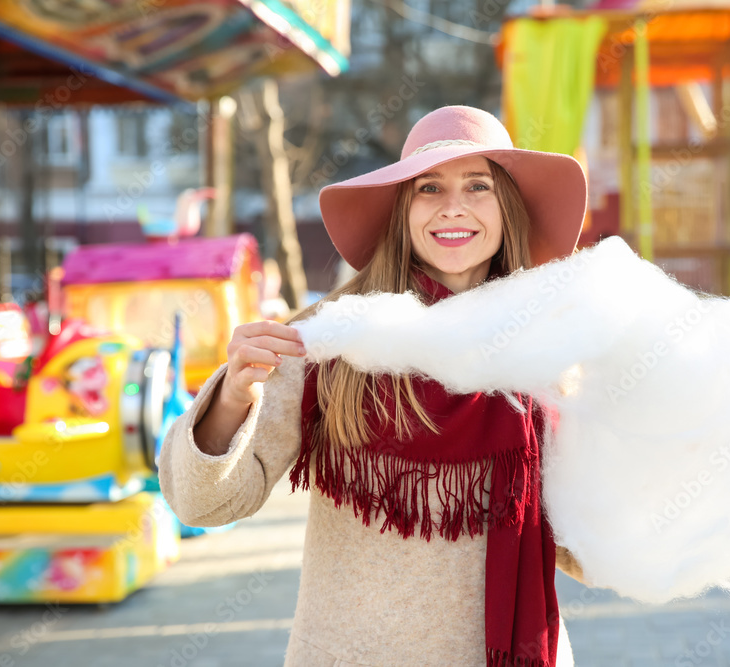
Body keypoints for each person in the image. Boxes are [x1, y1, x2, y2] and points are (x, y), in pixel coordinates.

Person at [158, 105, 591, 666]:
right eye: (429, 187)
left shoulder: (549, 349)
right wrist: (232, 399)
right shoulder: (334, 337)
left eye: (478, 186)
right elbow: (201, 504)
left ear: (508, 208)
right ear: (401, 210)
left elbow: (587, 553)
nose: (453, 207)